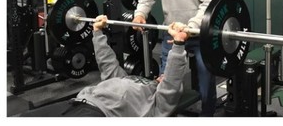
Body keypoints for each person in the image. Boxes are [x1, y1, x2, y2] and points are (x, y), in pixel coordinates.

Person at [20, 15, 189, 117]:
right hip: (76, 102)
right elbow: (107, 62)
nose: (163, 76)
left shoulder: (156, 103)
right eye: (163, 75)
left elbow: (172, 83)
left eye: (164, 79)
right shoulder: (126, 78)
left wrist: (179, 43)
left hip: (102, 114)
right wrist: (97, 31)